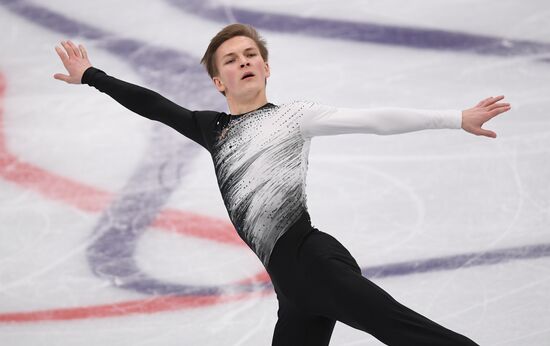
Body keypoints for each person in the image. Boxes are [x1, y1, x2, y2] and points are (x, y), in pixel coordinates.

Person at [54, 23, 510, 346]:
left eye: (251, 55)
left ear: (266, 68)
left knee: (406, 331)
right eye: (232, 60)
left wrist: (454, 118)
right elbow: (153, 103)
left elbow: (373, 120)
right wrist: (92, 77)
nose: (245, 62)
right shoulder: (213, 129)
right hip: (290, 286)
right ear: (218, 81)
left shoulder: (294, 117)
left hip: (315, 262)